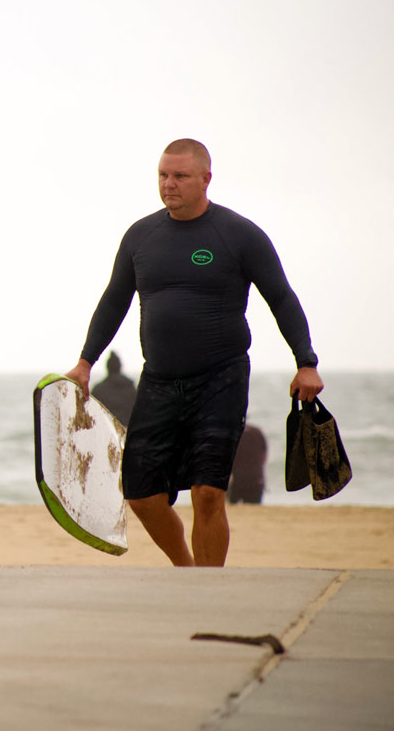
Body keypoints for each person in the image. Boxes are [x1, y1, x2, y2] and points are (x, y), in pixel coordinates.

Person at [64, 138, 322, 567]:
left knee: (207, 493)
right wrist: (85, 361)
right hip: (160, 379)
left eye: (180, 176)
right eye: (163, 175)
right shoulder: (140, 236)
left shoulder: (238, 234)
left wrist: (306, 361)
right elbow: (114, 301)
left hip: (221, 378)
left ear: (205, 179)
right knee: (141, 493)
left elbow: (280, 296)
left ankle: (207, 585)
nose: (169, 184)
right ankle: (186, 570)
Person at [90, 350, 136, 427]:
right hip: (128, 430)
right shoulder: (130, 387)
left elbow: (93, 414)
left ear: (107, 367)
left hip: (107, 430)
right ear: (120, 366)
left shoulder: (98, 390)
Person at [227, 423, 267, 504]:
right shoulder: (257, 432)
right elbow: (264, 456)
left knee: (231, 511)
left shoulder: (231, 433)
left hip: (235, 481)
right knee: (254, 510)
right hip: (255, 480)